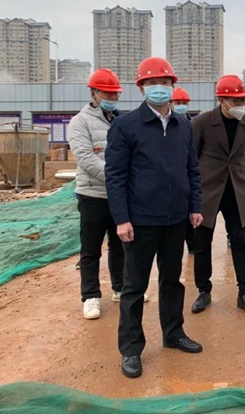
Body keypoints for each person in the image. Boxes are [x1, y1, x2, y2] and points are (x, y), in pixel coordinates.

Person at [106, 57, 203, 378]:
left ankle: (173, 333)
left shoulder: (183, 126)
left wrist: (195, 206)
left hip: (176, 219)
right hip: (140, 221)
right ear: (141, 89)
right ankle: (131, 348)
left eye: (163, 82)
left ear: (173, 86)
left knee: (172, 280)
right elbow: (116, 176)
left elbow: (192, 170)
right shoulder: (126, 126)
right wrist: (121, 218)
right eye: (150, 83)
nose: (158, 88)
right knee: (134, 286)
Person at [69, 69, 149, 319]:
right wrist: (117, 177)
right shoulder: (80, 122)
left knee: (120, 244)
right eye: (107, 93)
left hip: (120, 195)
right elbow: (85, 158)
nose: (113, 98)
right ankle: (90, 295)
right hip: (93, 194)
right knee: (91, 248)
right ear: (93, 93)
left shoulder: (121, 121)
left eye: (115, 94)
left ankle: (120, 287)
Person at [190, 75, 245, 316]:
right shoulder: (201, 122)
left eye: (242, 100)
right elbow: (192, 156)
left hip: (236, 191)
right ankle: (203, 291)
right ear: (222, 100)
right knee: (202, 243)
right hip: (208, 191)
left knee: (239, 242)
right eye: (235, 100)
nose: (240, 104)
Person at [170, 87, 198, 256]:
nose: (181, 105)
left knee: (191, 213)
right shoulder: (166, 124)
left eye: (184, 103)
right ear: (171, 103)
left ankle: (193, 245)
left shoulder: (190, 125)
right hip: (172, 178)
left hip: (187, 177)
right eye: (178, 102)